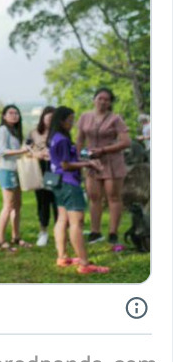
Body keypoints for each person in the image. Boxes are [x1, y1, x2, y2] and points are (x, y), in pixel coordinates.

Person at [48, 107, 109, 275]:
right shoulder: (62, 140)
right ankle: (84, 263)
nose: (72, 123)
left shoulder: (55, 137)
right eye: (69, 120)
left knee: (62, 218)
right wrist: (88, 164)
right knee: (77, 222)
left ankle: (62, 257)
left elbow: (67, 159)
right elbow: (66, 165)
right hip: (68, 183)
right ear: (61, 121)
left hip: (57, 182)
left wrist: (85, 160)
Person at [76, 87, 131, 247]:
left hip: (112, 162)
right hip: (92, 162)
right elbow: (80, 139)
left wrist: (103, 150)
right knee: (94, 198)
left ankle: (113, 233)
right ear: (94, 99)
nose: (102, 101)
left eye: (106, 99)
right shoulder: (85, 117)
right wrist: (81, 158)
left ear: (110, 103)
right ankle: (95, 232)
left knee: (113, 197)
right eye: (100, 98)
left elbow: (126, 142)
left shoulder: (116, 119)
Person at [0, 105, 31, 251]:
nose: (14, 115)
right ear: (4, 116)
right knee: (8, 206)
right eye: (10, 113)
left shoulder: (15, 131)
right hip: (6, 170)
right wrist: (21, 151)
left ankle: (16, 237)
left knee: (17, 205)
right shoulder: (3, 130)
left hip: (16, 171)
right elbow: (1, 151)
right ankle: (0, 239)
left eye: (16, 113)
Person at [26, 106, 57, 246]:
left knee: (56, 201)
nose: (50, 121)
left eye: (53, 118)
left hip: (54, 171)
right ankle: (43, 231)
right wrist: (36, 154)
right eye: (48, 118)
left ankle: (59, 231)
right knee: (42, 202)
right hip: (39, 170)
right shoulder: (34, 133)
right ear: (43, 118)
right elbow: (25, 149)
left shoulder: (59, 133)